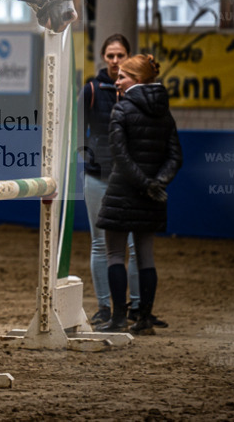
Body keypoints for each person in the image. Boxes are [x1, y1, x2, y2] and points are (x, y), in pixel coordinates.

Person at [96, 54, 183, 335]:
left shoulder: (121, 110)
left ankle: (119, 318)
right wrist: (157, 183)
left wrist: (143, 182)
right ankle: (144, 319)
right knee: (146, 257)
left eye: (122, 76)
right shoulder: (165, 112)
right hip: (151, 195)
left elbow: (119, 156)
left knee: (114, 255)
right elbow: (175, 156)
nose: (117, 81)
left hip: (123, 190)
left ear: (139, 79)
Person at [77, 34, 141, 326]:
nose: (115, 61)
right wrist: (90, 159)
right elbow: (78, 132)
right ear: (104, 57)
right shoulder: (90, 89)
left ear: (128, 57)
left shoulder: (138, 91)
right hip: (97, 177)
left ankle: (137, 308)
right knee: (100, 244)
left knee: (132, 245)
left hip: (130, 180)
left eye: (121, 55)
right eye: (111, 55)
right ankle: (104, 307)